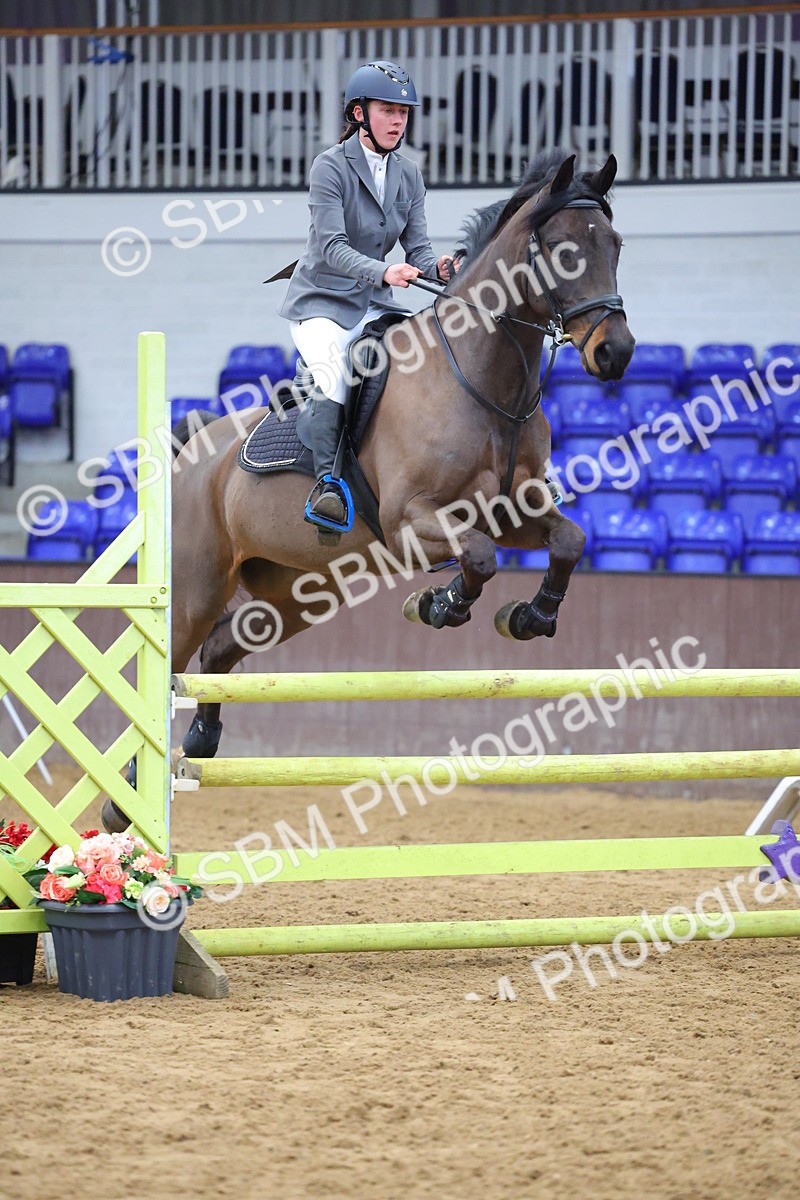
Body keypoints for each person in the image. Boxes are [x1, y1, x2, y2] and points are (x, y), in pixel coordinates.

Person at [279, 60, 455, 526]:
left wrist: (438, 267)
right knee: (334, 372)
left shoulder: (409, 175)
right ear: (359, 113)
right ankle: (327, 485)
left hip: (375, 303)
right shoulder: (329, 168)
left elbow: (417, 250)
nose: (398, 120)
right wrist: (384, 272)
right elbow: (332, 248)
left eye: (404, 111)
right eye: (387, 110)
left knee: (419, 362)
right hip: (321, 303)